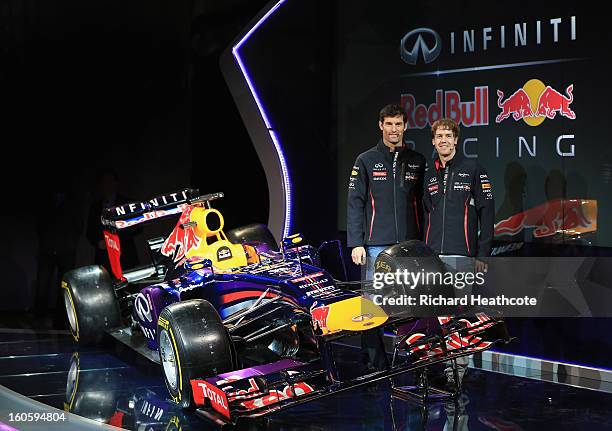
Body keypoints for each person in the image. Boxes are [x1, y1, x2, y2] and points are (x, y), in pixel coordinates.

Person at [422, 118, 495, 387]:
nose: (443, 140)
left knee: (457, 318)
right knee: (433, 316)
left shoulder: (473, 169)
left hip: (461, 255)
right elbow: (425, 212)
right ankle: (436, 369)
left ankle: (456, 375)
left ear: (456, 140)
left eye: (448, 135)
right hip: (432, 257)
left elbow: (487, 213)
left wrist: (482, 254)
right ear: (433, 141)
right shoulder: (428, 173)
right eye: (439, 135)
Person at [347, 104, 426, 280]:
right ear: (381, 125)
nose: (394, 129)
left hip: (410, 245)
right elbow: (355, 202)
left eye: (398, 124)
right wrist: (356, 243)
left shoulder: (418, 160)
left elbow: (425, 203)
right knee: (376, 300)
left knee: (409, 302)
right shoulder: (365, 160)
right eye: (389, 124)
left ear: (405, 126)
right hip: (377, 245)